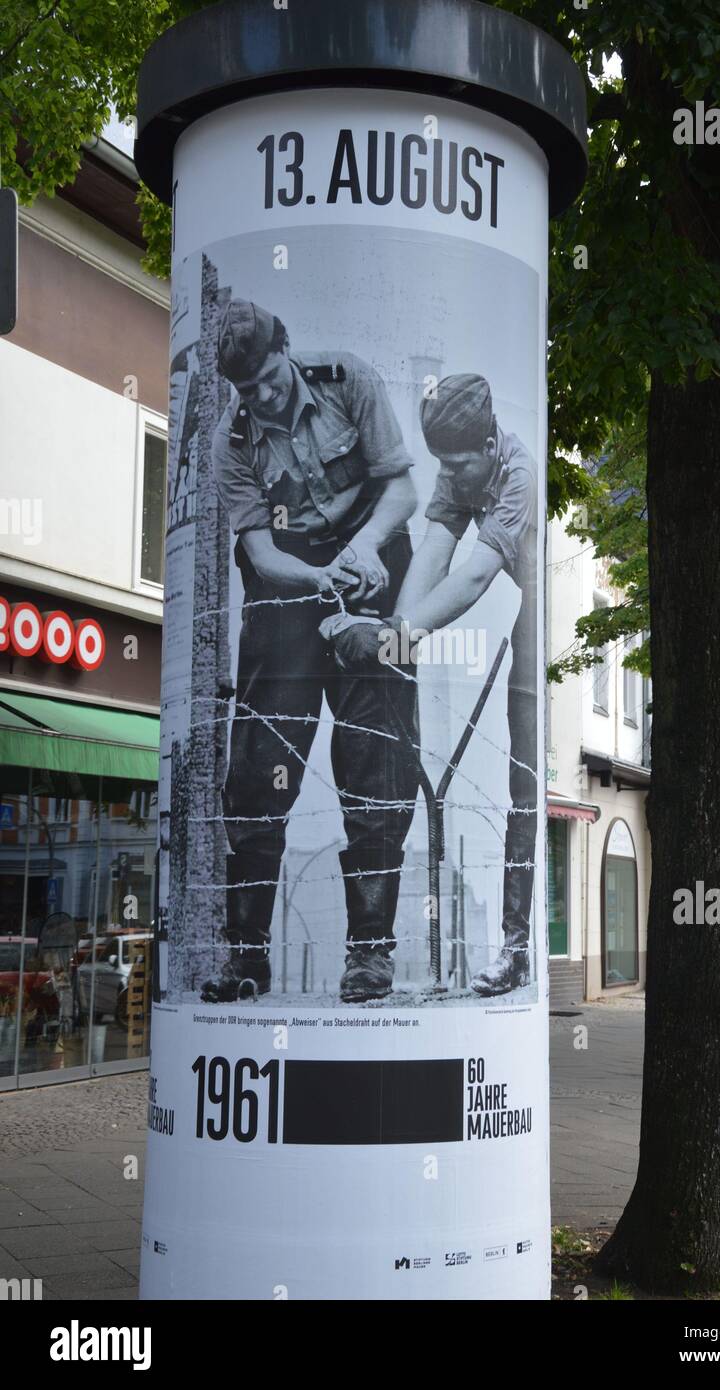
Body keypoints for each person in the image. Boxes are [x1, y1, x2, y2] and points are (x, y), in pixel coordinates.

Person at [202, 299, 418, 1004]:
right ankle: (246, 959)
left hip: (373, 558)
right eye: (247, 390)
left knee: (377, 759)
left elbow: (401, 490)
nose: (261, 397)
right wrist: (320, 578)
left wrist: (361, 551)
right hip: (287, 583)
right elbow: (260, 553)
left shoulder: (347, 379)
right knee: (258, 767)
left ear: (285, 350)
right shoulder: (232, 442)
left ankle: (370, 957)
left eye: (268, 378)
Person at [334, 374, 539, 996]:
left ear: (488, 439)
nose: (453, 472)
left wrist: (397, 635)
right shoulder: (460, 469)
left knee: (523, 777)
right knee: (511, 783)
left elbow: (476, 577)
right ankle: (508, 949)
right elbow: (434, 553)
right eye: (443, 463)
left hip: (544, 608)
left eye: (460, 461)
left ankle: (517, 948)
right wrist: (395, 634)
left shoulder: (519, 475)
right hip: (515, 593)